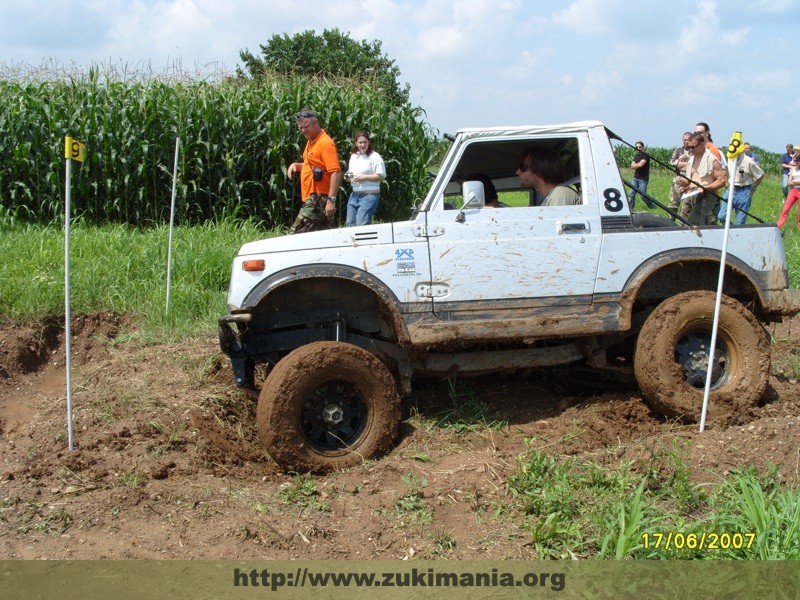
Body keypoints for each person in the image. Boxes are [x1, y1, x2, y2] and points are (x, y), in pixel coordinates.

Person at [285, 108, 342, 234]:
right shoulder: (311, 141)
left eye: (306, 126)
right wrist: (296, 165)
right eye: (300, 128)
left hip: (318, 198)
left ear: (316, 123)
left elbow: (336, 172)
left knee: (295, 235)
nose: (303, 130)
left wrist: (331, 200)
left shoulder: (325, 143)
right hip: (313, 196)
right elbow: (311, 165)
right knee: (327, 238)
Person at [678, 132, 726, 226]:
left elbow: (722, 181)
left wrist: (706, 188)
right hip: (691, 194)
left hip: (707, 196)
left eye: (693, 147)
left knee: (691, 223)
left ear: (702, 144)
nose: (691, 149)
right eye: (689, 147)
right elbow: (689, 181)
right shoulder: (692, 159)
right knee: (688, 222)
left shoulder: (712, 160)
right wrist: (682, 182)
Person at [345, 131, 386, 226]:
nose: (362, 145)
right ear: (356, 143)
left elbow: (381, 175)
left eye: (365, 142)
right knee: (350, 223)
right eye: (360, 142)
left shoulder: (375, 157)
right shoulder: (354, 156)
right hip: (354, 195)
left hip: (369, 195)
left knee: (361, 224)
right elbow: (350, 172)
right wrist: (348, 177)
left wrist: (364, 177)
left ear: (369, 143)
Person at [718, 151, 765, 225]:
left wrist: (753, 188)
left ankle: (736, 233)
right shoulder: (730, 158)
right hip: (731, 189)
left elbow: (760, 174)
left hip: (744, 190)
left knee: (740, 223)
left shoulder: (748, 161)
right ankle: (731, 229)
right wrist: (727, 181)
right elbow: (726, 169)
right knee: (722, 216)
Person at [668, 132, 692, 216]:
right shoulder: (678, 151)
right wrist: (688, 165)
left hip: (690, 181)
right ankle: (671, 220)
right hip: (677, 180)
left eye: (688, 139)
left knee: (687, 205)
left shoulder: (695, 151)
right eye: (684, 140)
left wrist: (681, 164)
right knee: (673, 203)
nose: (686, 141)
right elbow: (673, 162)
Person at [778, 152, 800, 230]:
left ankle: (799, 229)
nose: (794, 162)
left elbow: (792, 181)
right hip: (794, 191)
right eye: (794, 161)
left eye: (796, 161)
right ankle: (779, 226)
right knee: (785, 210)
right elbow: (789, 182)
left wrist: (794, 182)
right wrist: (796, 182)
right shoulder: (793, 169)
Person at [627, 141, 651, 209]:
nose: (638, 148)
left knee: (643, 195)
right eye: (637, 147)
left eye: (640, 147)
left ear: (643, 147)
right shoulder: (636, 156)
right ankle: (630, 209)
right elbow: (631, 166)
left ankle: (652, 206)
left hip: (643, 179)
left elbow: (641, 164)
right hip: (635, 178)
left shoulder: (646, 155)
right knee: (631, 194)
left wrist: (636, 165)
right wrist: (636, 165)